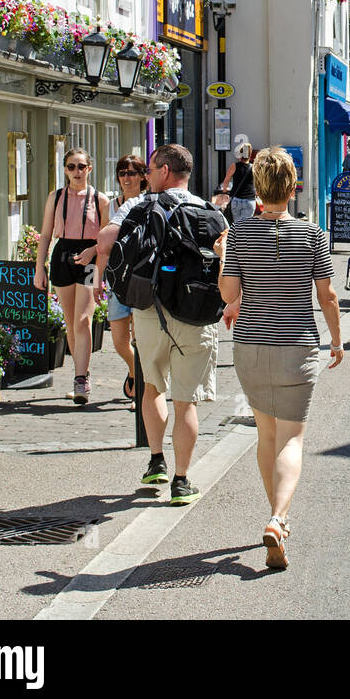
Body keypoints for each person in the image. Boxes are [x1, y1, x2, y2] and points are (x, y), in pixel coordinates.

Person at [217, 146, 344, 568]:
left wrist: (225, 264)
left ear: (257, 188)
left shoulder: (239, 233)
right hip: (296, 344)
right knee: (292, 438)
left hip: (251, 346)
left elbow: (229, 295)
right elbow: (327, 296)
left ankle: (276, 518)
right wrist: (338, 341)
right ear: (293, 188)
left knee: (266, 435)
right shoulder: (313, 236)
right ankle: (279, 517)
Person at [96, 144, 228, 505]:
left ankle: (156, 459)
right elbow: (227, 261)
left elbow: (105, 240)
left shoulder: (140, 206)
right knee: (187, 403)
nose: (147, 175)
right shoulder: (209, 210)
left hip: (151, 310)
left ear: (166, 171)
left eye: (151, 169)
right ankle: (181, 482)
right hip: (196, 312)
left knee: (152, 386)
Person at [34, 147, 111, 406]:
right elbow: (45, 235)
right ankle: (81, 370)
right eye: (71, 167)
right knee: (70, 321)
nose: (76, 172)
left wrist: (97, 262)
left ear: (89, 169)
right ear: (65, 170)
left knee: (82, 320)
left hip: (89, 258)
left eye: (81, 166)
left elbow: (105, 238)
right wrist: (39, 267)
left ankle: (81, 378)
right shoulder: (55, 198)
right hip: (63, 255)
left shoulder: (100, 200)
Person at [108, 154, 147, 399]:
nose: (126, 178)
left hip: (141, 276)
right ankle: (135, 373)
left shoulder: (147, 202)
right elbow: (103, 241)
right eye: (122, 173)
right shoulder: (111, 205)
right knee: (119, 340)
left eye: (132, 173)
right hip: (117, 279)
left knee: (140, 338)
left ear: (143, 176)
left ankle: (142, 391)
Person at [218, 142, 258, 222]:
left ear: (240, 154)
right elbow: (258, 184)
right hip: (250, 200)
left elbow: (226, 181)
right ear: (250, 155)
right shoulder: (254, 167)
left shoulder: (234, 166)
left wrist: (225, 192)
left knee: (237, 225)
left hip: (236, 200)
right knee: (247, 226)